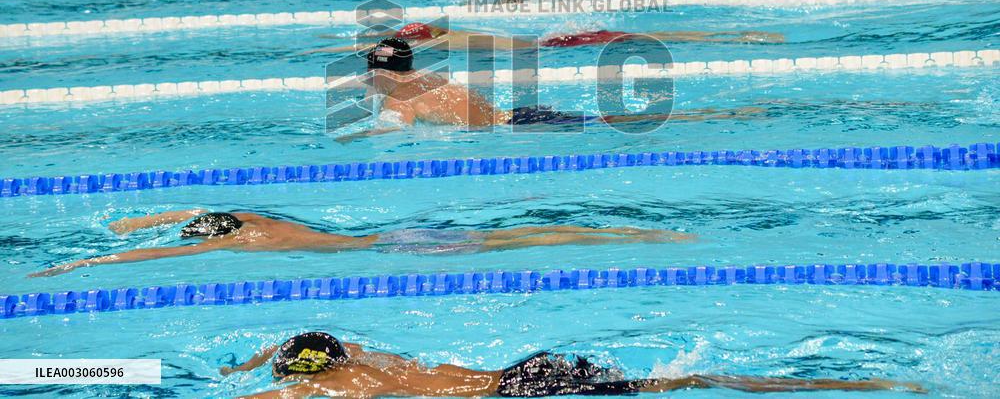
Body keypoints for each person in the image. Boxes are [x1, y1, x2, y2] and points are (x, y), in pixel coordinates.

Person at [228, 331, 927, 398]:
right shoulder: (366, 360)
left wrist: (115, 377)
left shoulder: (338, 388)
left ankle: (865, 384)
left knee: (688, 383)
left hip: (522, 392)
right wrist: (256, 360)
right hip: (524, 371)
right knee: (677, 382)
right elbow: (305, 337)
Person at [336, 38, 763, 142]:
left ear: (381, 72)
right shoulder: (433, 79)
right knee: (611, 121)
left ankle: (723, 116)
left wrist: (347, 140)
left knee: (623, 122)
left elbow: (389, 135)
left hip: (519, 128)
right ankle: (727, 114)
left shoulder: (397, 97)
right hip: (521, 115)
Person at [28, 210, 690, 277]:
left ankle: (636, 235)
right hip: (391, 236)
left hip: (394, 251)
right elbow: (190, 212)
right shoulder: (249, 219)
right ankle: (625, 231)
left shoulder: (236, 247)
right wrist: (127, 223)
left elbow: (164, 253)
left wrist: (93, 259)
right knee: (518, 236)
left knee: (516, 245)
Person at [307, 21, 783, 55]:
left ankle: (740, 35)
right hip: (544, 40)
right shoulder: (433, 31)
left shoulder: (425, 43)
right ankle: (738, 34)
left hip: (547, 47)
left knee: (632, 38)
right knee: (635, 35)